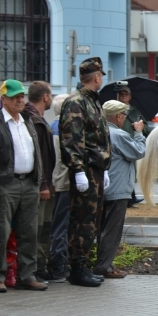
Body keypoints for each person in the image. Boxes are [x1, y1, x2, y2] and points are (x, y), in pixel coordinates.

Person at [0, 80, 47, 293]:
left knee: (29, 231)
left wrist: (40, 180)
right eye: (15, 97)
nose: (20, 100)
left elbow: (36, 152)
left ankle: (27, 275)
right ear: (3, 99)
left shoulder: (27, 120)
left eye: (22, 96)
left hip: (29, 182)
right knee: (1, 231)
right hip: (6, 184)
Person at [60, 57, 112, 288]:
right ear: (97, 77)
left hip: (96, 169)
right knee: (82, 219)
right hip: (85, 169)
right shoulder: (77, 102)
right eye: (101, 76)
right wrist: (78, 170)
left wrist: (105, 169)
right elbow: (72, 140)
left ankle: (83, 265)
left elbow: (97, 138)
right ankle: (78, 268)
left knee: (92, 220)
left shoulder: (92, 101)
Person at [94, 101, 147, 278]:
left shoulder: (99, 131)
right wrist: (139, 132)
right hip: (118, 189)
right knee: (112, 231)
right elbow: (138, 152)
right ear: (118, 116)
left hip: (102, 188)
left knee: (102, 229)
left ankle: (102, 265)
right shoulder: (119, 134)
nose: (124, 118)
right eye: (124, 115)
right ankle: (104, 267)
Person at [23, 81, 56, 283]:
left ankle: (39, 266)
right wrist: (44, 183)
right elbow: (40, 156)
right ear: (45, 97)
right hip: (39, 184)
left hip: (42, 183)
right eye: (50, 95)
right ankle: (35, 268)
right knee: (38, 227)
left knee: (43, 227)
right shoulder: (33, 120)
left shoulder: (37, 119)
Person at [48, 94, 70, 282]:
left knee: (56, 224)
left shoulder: (51, 127)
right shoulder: (63, 128)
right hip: (64, 183)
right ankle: (58, 267)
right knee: (61, 226)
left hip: (56, 182)